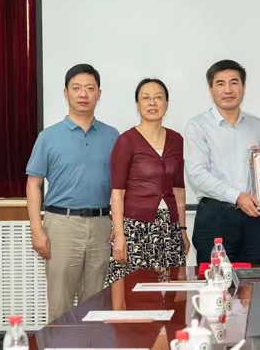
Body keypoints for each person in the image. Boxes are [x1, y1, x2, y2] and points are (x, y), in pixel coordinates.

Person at [26, 64, 119, 322]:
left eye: (90, 88)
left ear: (99, 94)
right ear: (66, 93)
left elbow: (120, 187)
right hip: (62, 225)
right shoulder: (48, 136)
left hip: (101, 226)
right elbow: (33, 184)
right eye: (76, 88)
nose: (83, 94)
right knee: (61, 304)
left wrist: (117, 224)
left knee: (96, 304)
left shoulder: (113, 136)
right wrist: (36, 228)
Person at [185, 60, 260, 265]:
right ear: (211, 89)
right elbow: (197, 174)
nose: (228, 90)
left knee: (254, 279)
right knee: (214, 280)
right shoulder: (198, 126)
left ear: (243, 87)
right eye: (220, 83)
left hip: (252, 219)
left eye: (234, 82)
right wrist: (237, 197)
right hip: (215, 218)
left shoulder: (256, 124)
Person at [106, 78, 190, 285]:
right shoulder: (126, 140)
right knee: (132, 291)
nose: (152, 103)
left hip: (169, 228)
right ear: (137, 105)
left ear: (167, 103)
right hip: (135, 228)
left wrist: (182, 230)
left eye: (158, 97)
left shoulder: (176, 140)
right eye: (146, 98)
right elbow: (117, 193)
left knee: (171, 290)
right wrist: (120, 235)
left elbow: (179, 189)